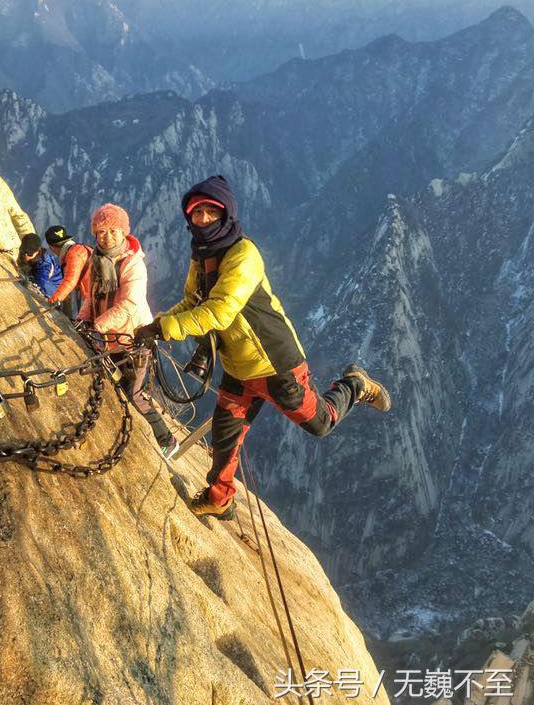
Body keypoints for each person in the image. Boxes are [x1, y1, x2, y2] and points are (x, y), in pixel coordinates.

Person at [135, 175, 391, 519]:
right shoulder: (202, 259)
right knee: (225, 437)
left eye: (211, 212)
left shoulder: (244, 254)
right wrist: (156, 323)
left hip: (276, 366)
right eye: (197, 214)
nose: (204, 219)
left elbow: (220, 311)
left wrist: (165, 328)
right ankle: (219, 498)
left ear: (226, 214)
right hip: (239, 369)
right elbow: (192, 302)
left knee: (320, 422)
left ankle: (355, 383)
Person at [76, 203, 177, 456]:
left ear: (123, 233)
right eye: (100, 232)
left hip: (133, 340)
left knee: (137, 395)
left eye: (112, 230)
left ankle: (167, 440)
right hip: (109, 339)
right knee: (117, 386)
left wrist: (98, 325)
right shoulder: (97, 261)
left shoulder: (132, 265)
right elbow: (92, 295)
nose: (106, 237)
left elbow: (130, 305)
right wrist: (83, 318)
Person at [45, 225, 93, 318]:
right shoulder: (82, 248)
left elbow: (70, 281)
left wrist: (53, 300)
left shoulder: (72, 255)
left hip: (94, 295)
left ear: (52, 247)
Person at [17, 233, 63, 298]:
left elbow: (39, 285)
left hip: (56, 286)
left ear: (37, 252)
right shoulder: (27, 252)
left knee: (45, 287)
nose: (25, 255)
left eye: (29, 253)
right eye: (24, 251)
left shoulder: (44, 267)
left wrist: (27, 282)